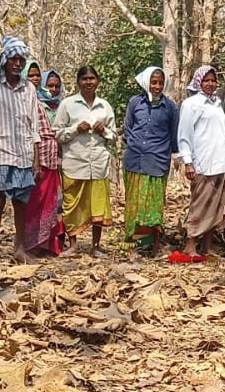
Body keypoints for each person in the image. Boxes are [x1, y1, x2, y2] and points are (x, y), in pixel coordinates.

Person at [0, 36, 41, 264]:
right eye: (13, 59)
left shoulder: (29, 89)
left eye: (21, 60)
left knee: (21, 204)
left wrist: (36, 159)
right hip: (0, 152)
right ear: (5, 60)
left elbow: (35, 126)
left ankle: (19, 248)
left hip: (24, 154)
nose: (18, 64)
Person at [175, 65, 225, 262]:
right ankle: (190, 244)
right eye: (206, 80)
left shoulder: (217, 104)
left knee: (216, 206)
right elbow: (184, 134)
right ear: (199, 82)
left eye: (213, 80)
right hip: (203, 161)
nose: (210, 84)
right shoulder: (191, 104)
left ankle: (207, 246)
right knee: (200, 204)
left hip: (221, 163)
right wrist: (188, 161)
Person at [54, 65, 116, 256]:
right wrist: (75, 129)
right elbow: (56, 133)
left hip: (98, 163)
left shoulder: (104, 106)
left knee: (98, 205)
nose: (88, 82)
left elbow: (113, 136)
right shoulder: (68, 104)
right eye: (84, 79)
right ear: (78, 82)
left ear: (98, 81)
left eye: (92, 78)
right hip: (75, 162)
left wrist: (103, 130)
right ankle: (73, 246)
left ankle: (95, 246)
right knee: (72, 204)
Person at [122, 66, 179, 257]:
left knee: (154, 206)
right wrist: (134, 143)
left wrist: (168, 153)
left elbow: (174, 136)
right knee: (135, 205)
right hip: (134, 161)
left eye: (160, 83)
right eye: (153, 82)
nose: (157, 86)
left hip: (157, 161)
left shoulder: (170, 107)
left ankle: (154, 245)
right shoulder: (134, 103)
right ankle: (135, 245)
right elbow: (127, 127)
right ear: (147, 82)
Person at [23, 67, 65, 256]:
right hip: (37, 158)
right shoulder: (29, 101)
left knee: (54, 203)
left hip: (55, 159)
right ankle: (31, 243)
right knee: (35, 201)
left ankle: (49, 243)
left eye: (37, 75)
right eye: (30, 75)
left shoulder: (61, 106)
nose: (53, 89)